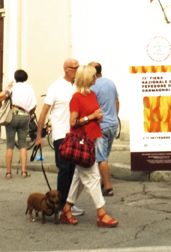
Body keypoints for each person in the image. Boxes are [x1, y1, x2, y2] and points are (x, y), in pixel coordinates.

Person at [57, 65, 118, 228]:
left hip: (94, 138)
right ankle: (101, 213)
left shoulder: (92, 94)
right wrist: (90, 117)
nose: (95, 78)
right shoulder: (76, 97)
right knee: (93, 178)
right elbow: (73, 122)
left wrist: (98, 117)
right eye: (92, 76)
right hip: (82, 143)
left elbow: (94, 113)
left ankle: (66, 209)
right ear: (86, 78)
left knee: (79, 177)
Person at [38, 59, 83, 216]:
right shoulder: (55, 87)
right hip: (61, 135)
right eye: (75, 68)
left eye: (78, 67)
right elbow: (44, 111)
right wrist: (39, 135)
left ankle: (68, 204)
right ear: (66, 70)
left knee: (73, 170)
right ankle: (61, 205)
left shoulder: (77, 86)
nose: (78, 70)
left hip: (76, 135)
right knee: (64, 169)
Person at [0, 69, 35, 179]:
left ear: (15, 78)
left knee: (10, 145)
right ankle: (24, 172)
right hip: (25, 117)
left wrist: (7, 88)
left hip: (12, 117)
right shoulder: (29, 88)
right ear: (25, 77)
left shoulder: (13, 88)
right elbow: (34, 106)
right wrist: (30, 115)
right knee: (23, 145)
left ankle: (8, 173)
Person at [89, 62, 119, 196]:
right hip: (113, 124)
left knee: (101, 157)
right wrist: (114, 116)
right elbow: (117, 102)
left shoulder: (93, 86)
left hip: (101, 126)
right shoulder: (110, 83)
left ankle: (108, 186)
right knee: (105, 155)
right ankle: (102, 182)